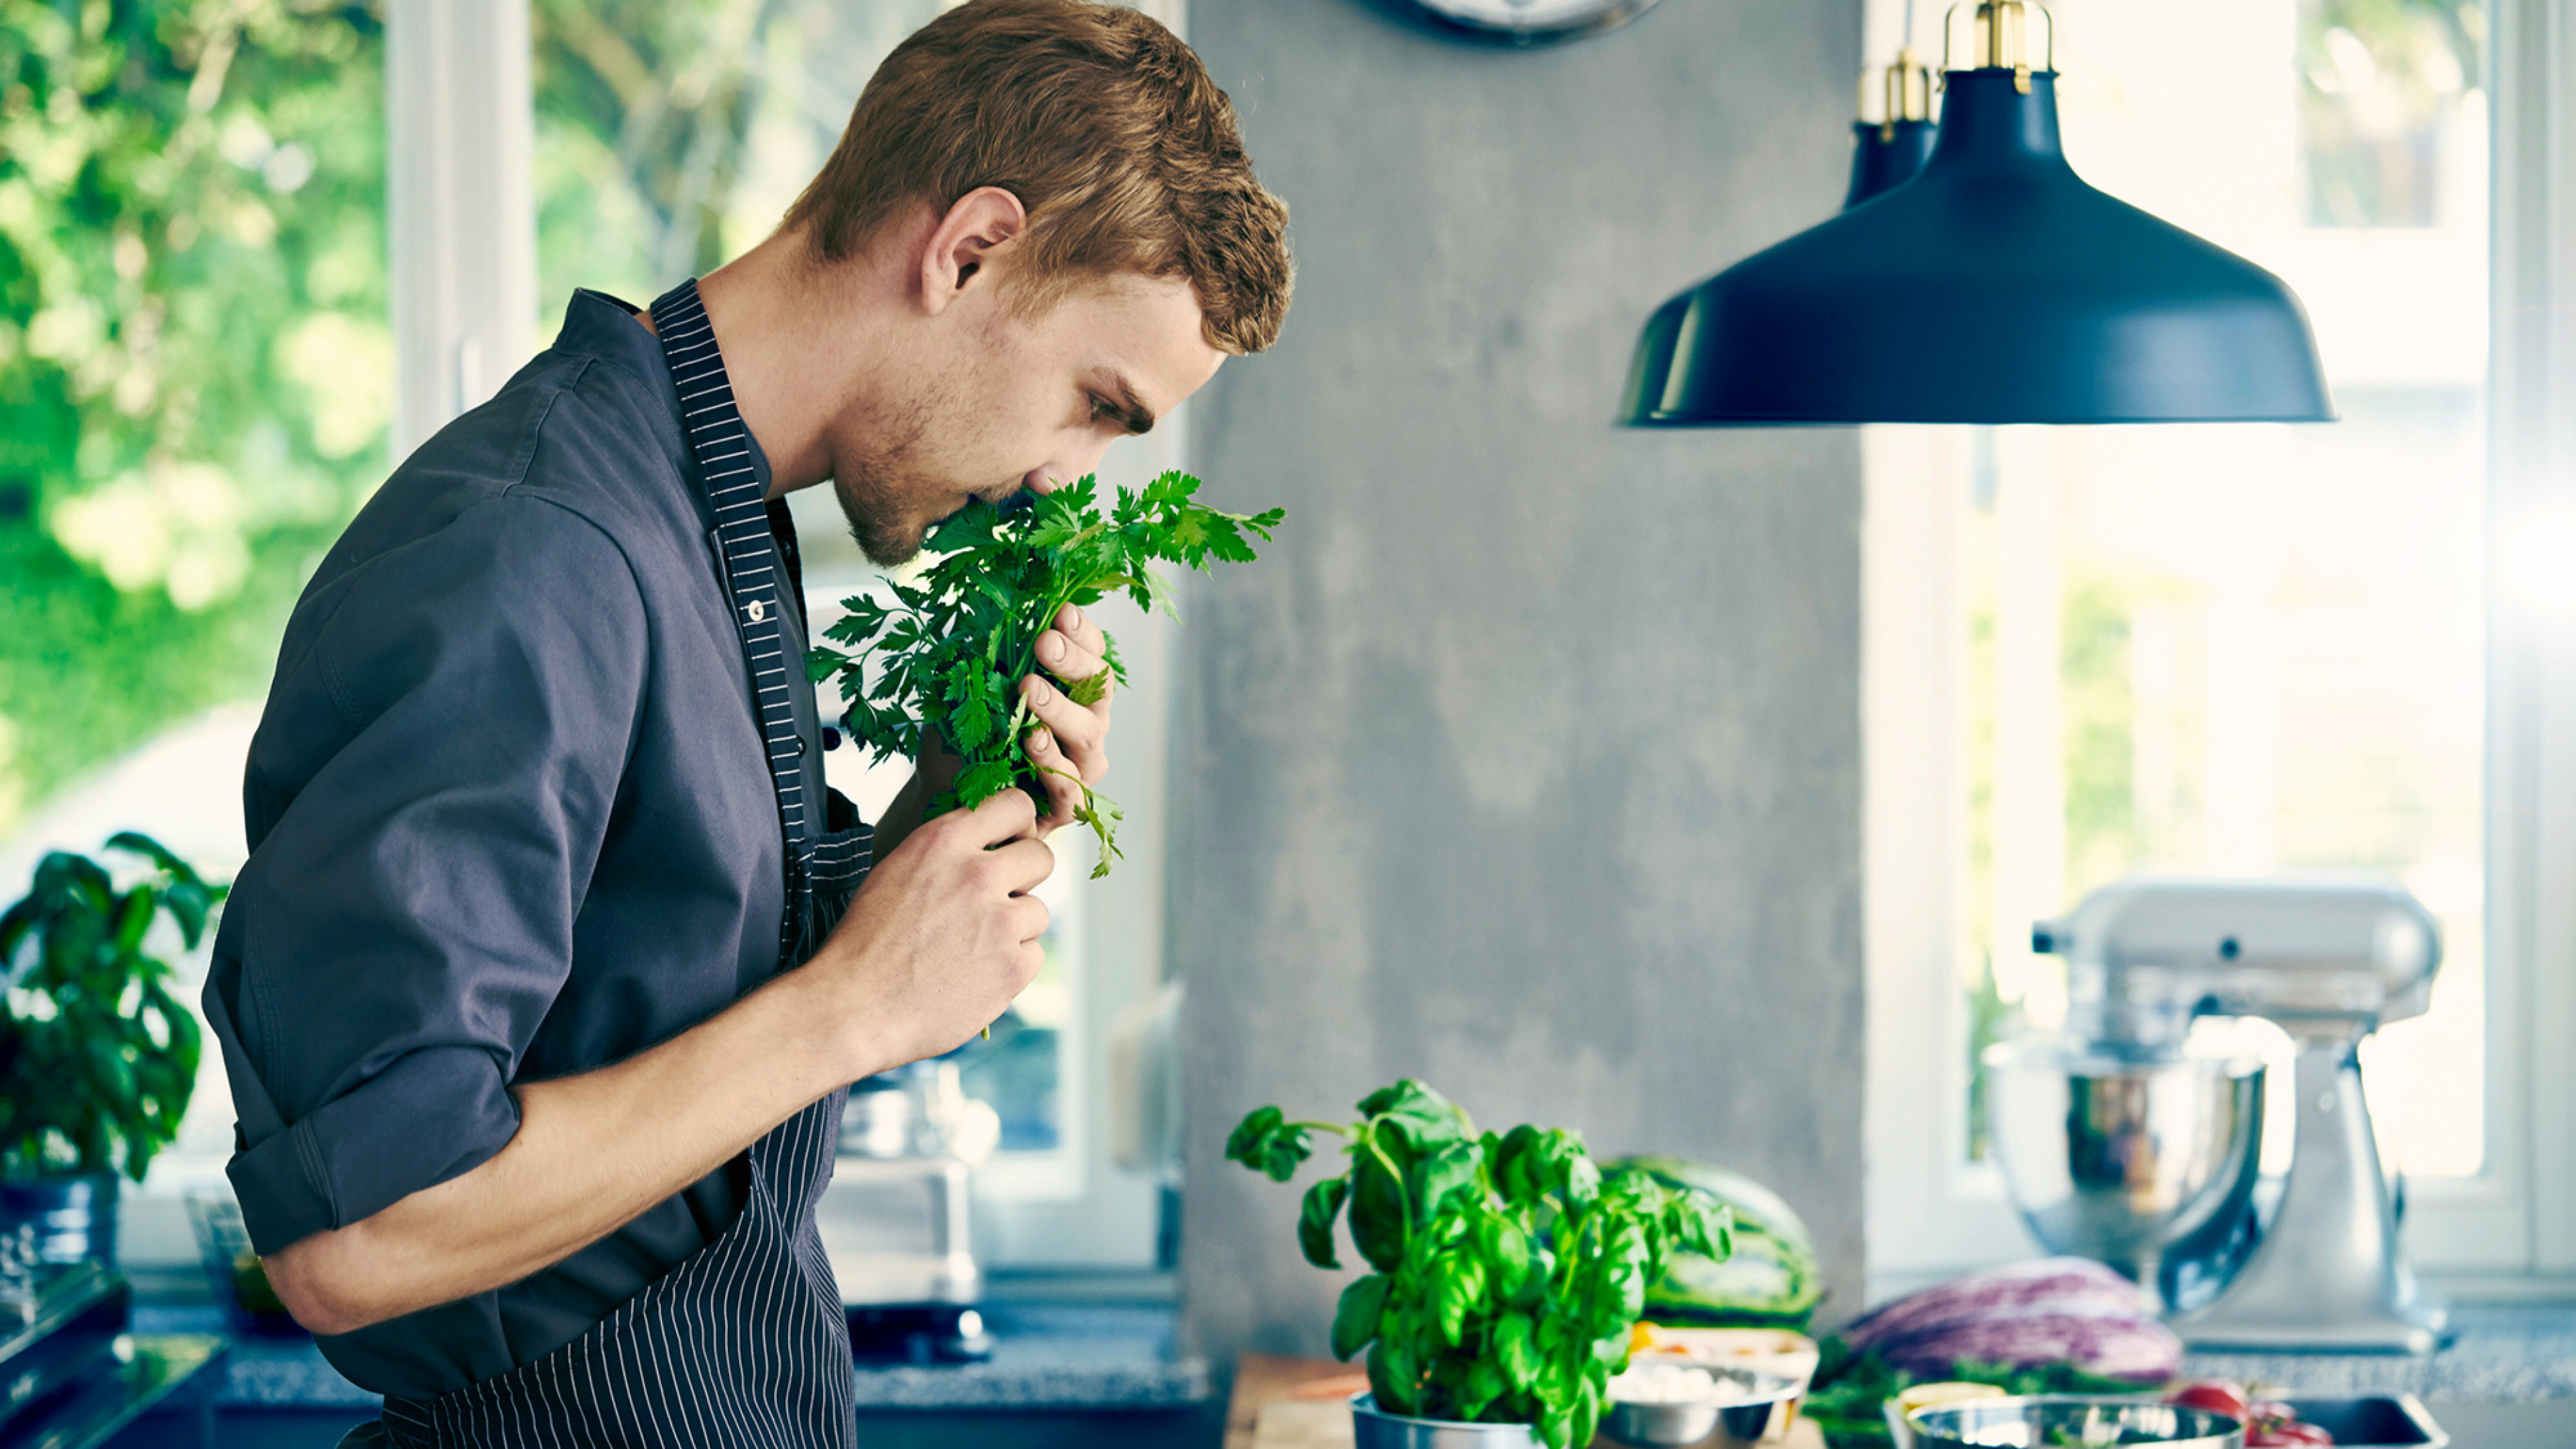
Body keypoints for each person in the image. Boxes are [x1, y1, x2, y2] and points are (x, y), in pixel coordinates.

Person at [200, 3, 1290, 1444]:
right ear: (968, 248)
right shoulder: (537, 550)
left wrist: (943, 815)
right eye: (1095, 404)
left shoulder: (720, 526)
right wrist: (854, 1008)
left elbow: (666, 1007)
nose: (1058, 485)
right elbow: (361, 1236)